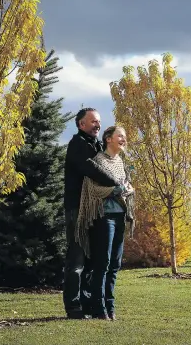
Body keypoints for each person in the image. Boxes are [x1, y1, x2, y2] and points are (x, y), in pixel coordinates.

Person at [63, 108, 120, 320]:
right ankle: (74, 307)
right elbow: (91, 169)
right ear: (81, 125)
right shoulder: (77, 144)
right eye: (93, 121)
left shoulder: (96, 145)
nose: (97, 124)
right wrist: (115, 182)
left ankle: (87, 303)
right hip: (77, 210)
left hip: (94, 209)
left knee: (92, 259)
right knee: (77, 259)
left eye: (99, 121)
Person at [76, 126, 135, 321]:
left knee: (115, 265)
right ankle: (98, 309)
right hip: (104, 217)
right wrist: (117, 190)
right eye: (120, 135)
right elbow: (92, 189)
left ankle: (110, 307)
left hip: (120, 216)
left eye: (124, 137)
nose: (123, 139)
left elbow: (124, 186)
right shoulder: (98, 161)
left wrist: (127, 189)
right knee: (103, 263)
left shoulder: (120, 162)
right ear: (108, 139)